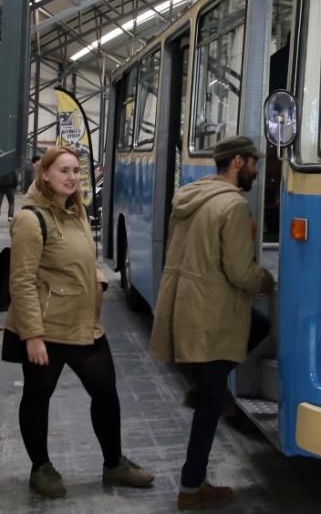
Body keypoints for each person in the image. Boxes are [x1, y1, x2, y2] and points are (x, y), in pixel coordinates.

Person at [0, 147, 154, 498]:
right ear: (45, 175)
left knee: (105, 393)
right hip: (47, 329)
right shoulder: (30, 219)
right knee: (38, 398)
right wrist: (33, 336)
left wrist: (97, 278)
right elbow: (21, 281)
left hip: (84, 325)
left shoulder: (77, 211)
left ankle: (114, 464)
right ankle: (41, 468)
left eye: (75, 171)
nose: (71, 177)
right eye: (63, 170)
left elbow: (84, 258)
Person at [149, 135, 275, 511]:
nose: (256, 169)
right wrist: (267, 282)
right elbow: (238, 271)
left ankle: (212, 392)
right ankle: (191, 486)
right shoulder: (233, 206)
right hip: (214, 313)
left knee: (245, 341)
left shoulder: (193, 195)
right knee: (208, 408)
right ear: (238, 163)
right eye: (253, 162)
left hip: (186, 305)